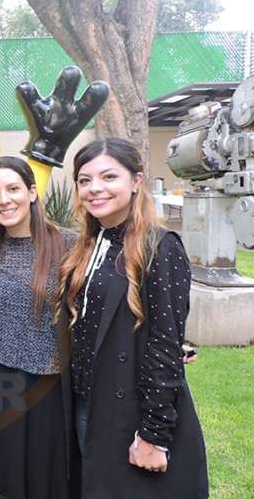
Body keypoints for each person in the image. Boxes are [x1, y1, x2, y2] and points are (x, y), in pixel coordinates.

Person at [58, 137, 208, 498]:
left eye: (109, 177)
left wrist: (154, 435)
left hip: (130, 414)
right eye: (84, 180)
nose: (95, 189)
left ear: (136, 181)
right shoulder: (89, 246)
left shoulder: (160, 246)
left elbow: (163, 345)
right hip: (87, 406)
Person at [0, 157, 73, 499]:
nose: (4, 199)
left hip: (51, 384)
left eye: (13, 188)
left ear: (32, 192)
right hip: (3, 386)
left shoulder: (69, 246)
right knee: (7, 483)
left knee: (50, 482)